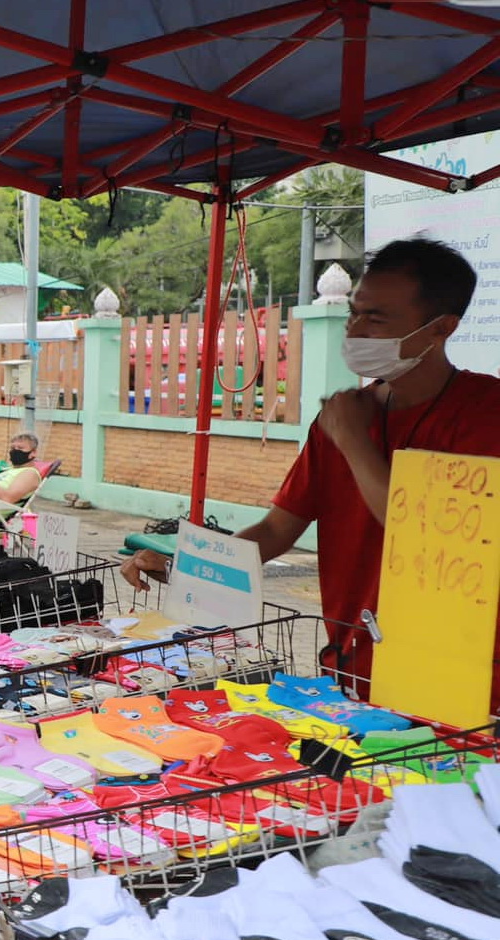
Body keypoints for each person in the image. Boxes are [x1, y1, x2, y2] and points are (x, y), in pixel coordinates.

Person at [124, 238, 500, 704]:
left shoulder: (485, 414)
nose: (357, 330)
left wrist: (352, 441)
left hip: (461, 674)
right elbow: (277, 529)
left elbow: (427, 534)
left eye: (376, 318)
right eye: (355, 314)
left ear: (441, 328)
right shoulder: (344, 417)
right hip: (353, 661)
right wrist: (186, 568)